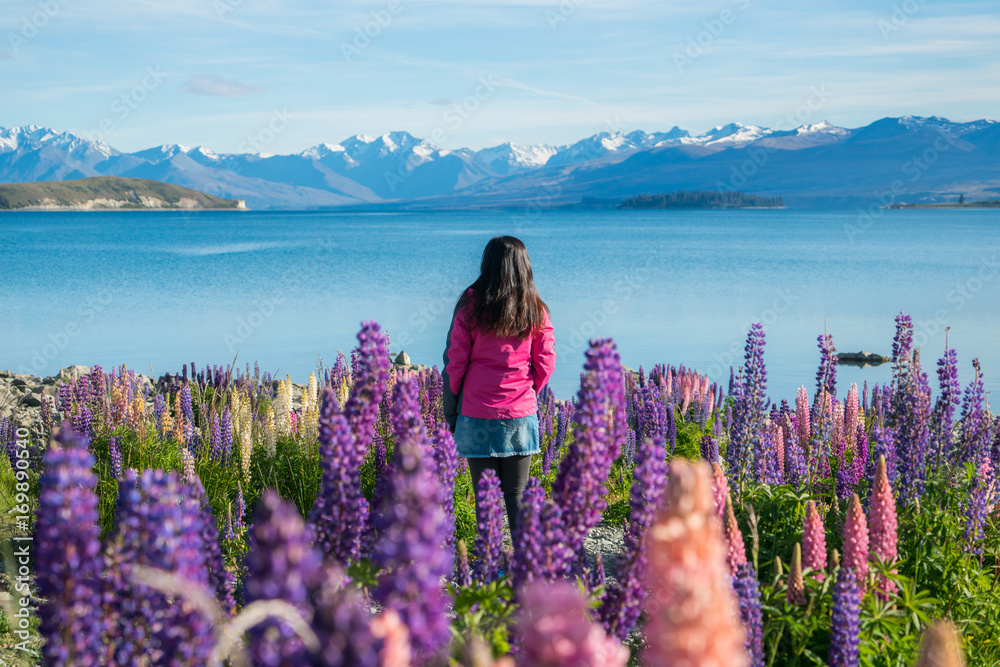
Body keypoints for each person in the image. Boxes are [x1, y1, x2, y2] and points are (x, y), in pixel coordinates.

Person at [442, 235, 556, 536]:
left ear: (486, 264)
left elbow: (455, 363)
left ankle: (487, 573)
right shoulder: (535, 309)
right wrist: (528, 392)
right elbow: (545, 362)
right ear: (524, 267)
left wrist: (452, 408)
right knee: (516, 496)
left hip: (476, 412)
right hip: (519, 413)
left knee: (486, 500)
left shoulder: (470, 305)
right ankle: (522, 568)